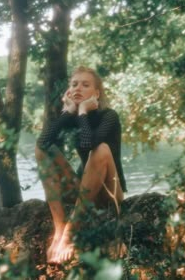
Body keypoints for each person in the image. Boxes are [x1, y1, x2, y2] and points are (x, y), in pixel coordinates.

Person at [35, 66, 127, 264]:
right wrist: (68, 112)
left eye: (86, 85)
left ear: (96, 93)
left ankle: (70, 233)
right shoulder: (73, 117)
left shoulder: (109, 116)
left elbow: (90, 144)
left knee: (101, 149)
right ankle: (59, 228)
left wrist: (83, 112)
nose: (78, 88)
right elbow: (42, 144)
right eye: (74, 84)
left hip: (111, 190)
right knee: (43, 150)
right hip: (85, 189)